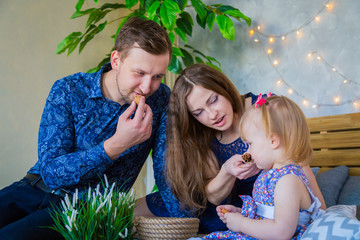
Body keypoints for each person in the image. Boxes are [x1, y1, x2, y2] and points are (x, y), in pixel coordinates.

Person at [0, 17, 172, 239]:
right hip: (30, 189)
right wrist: (115, 145)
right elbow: (52, 174)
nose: (147, 87)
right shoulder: (69, 89)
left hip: (81, 213)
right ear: (116, 60)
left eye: (157, 76)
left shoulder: (162, 101)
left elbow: (167, 175)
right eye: (139, 73)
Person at [135, 63, 326, 234]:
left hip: (265, 211)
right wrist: (227, 171)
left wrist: (321, 213)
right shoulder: (202, 135)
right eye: (199, 112)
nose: (212, 114)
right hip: (230, 207)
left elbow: (295, 157)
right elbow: (212, 198)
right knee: (133, 212)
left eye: (213, 100)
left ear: (224, 88)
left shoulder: (263, 111)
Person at [200, 95, 325, 239]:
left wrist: (241, 223)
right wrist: (240, 214)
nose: (248, 151)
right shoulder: (271, 173)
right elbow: (267, 215)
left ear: (273, 141)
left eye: (250, 144)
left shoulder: (288, 181)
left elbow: (282, 232)